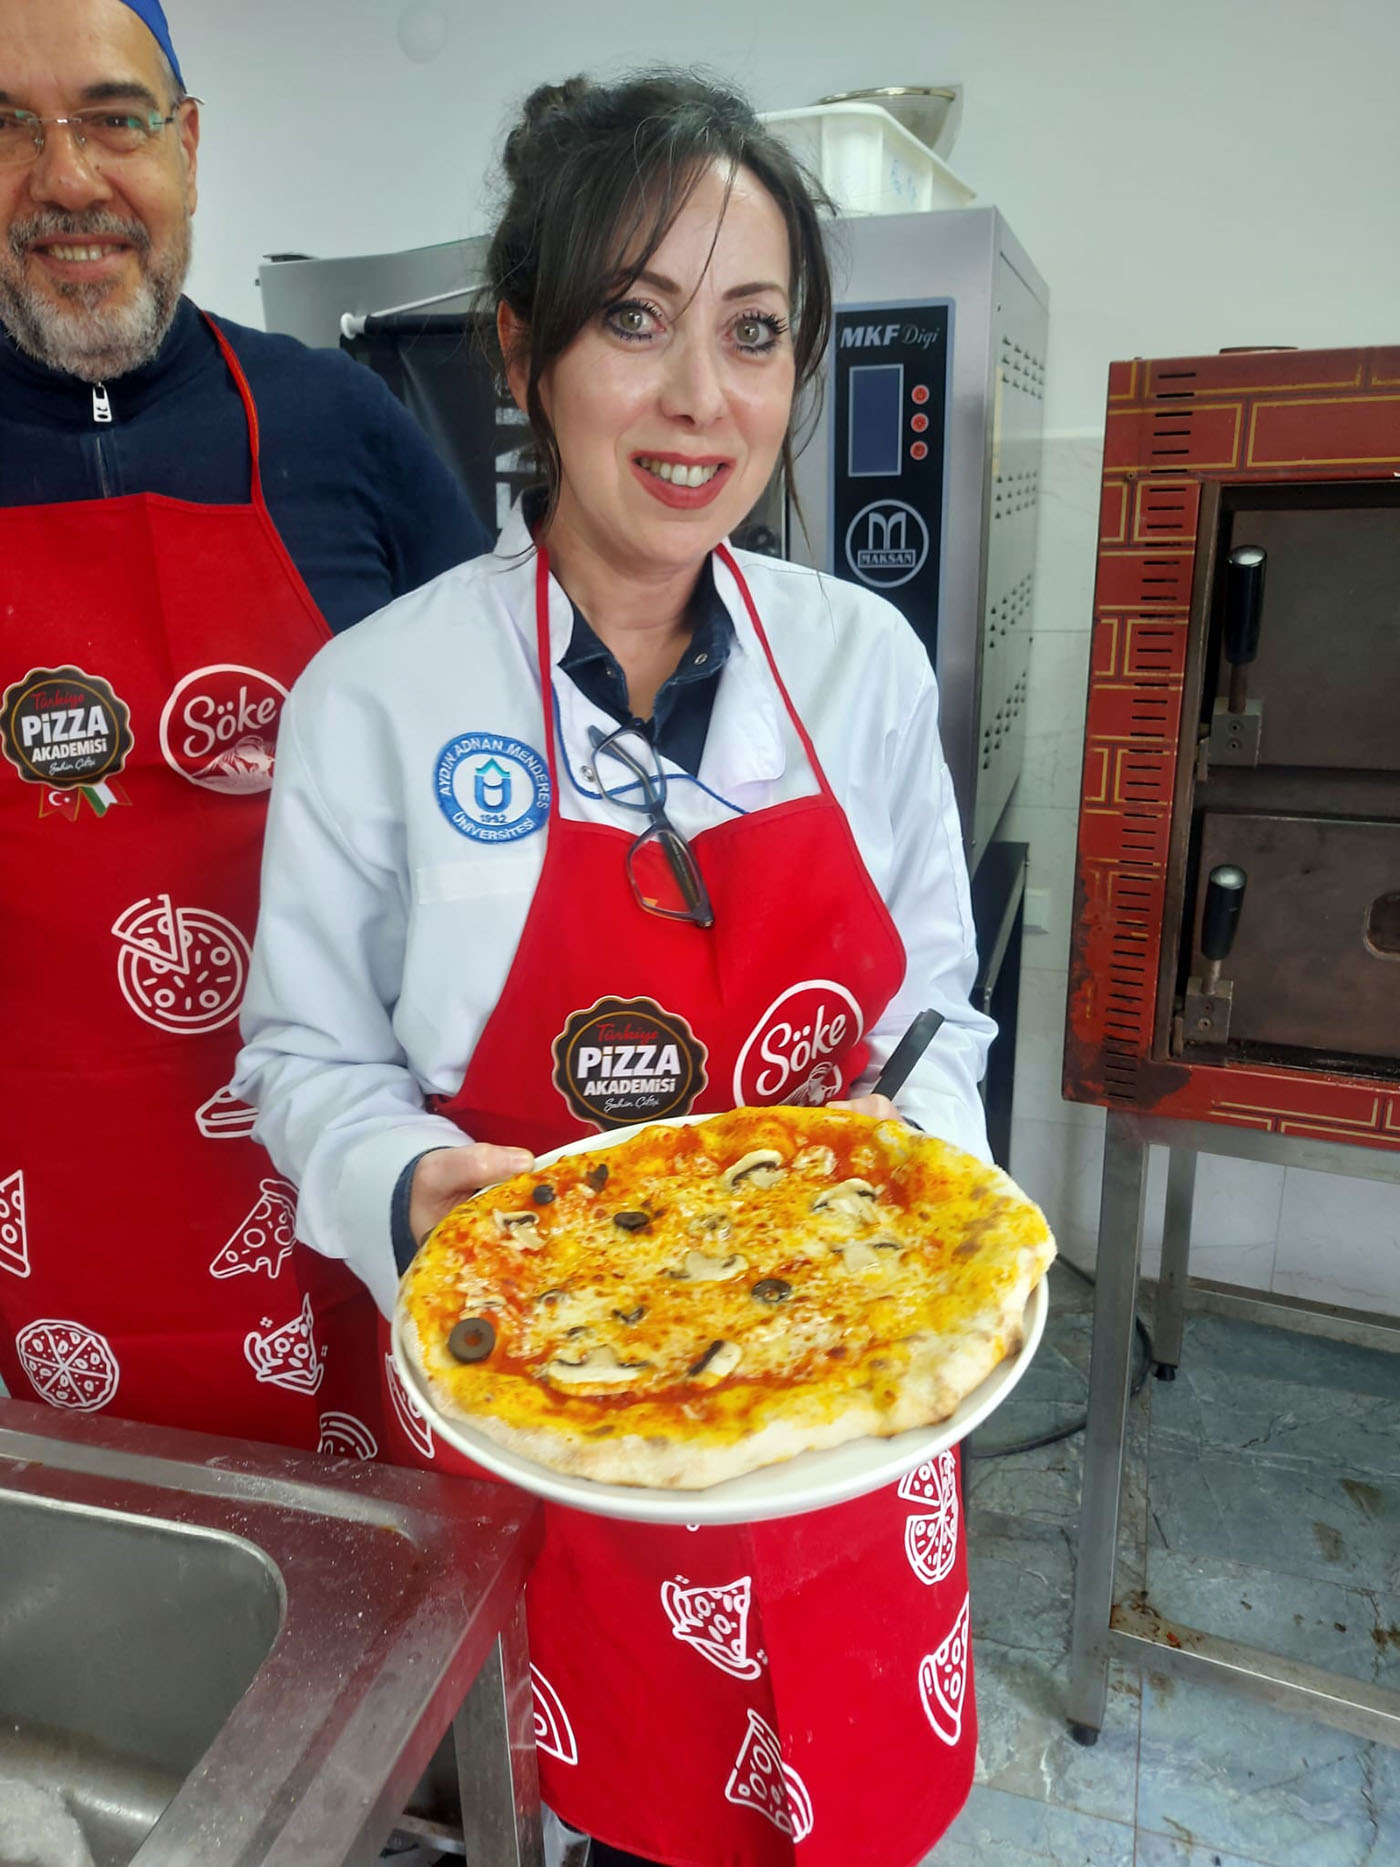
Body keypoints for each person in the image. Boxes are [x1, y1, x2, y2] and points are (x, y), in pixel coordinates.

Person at [236, 71, 997, 1867]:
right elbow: (304, 1058)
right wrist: (408, 1183)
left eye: (755, 332)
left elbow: (931, 1018)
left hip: (840, 1401)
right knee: (578, 1815)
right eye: (635, 321)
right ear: (523, 349)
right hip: (550, 1411)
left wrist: (914, 1201)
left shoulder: (863, 666)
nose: (700, 400)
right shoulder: (380, 698)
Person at [0, 0, 489, 1449]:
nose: (67, 177)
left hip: (336, 1197)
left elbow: (499, 768)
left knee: (368, 1572)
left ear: (190, 149)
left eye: (114, 118)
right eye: (5, 129)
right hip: (31, 1223)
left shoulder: (341, 426)